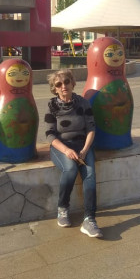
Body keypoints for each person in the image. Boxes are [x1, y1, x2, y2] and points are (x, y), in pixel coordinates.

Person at [44, 69, 103, 238]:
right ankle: (63, 208)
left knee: (89, 174)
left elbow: (91, 128)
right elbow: (50, 135)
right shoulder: (52, 106)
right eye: (58, 84)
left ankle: (89, 219)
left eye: (66, 82)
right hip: (61, 147)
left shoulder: (83, 103)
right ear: (54, 88)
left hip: (83, 145)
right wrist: (66, 150)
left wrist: (84, 150)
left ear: (72, 83)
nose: (63, 86)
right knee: (70, 169)